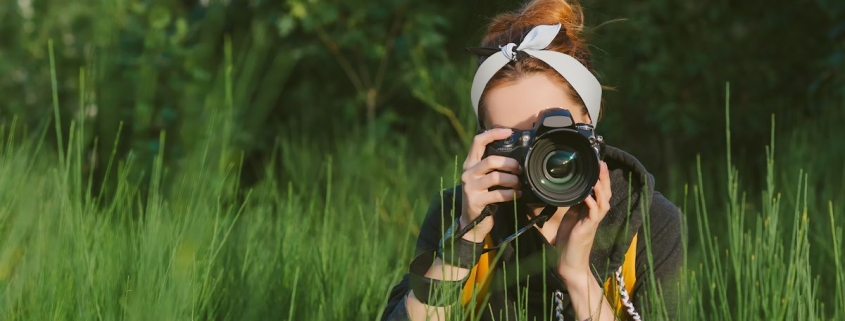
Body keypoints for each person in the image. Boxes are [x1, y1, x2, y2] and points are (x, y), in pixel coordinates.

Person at [382, 0, 684, 320]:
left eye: (551, 132)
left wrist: (580, 277)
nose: (534, 154)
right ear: (484, 141)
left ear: (590, 124)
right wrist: (465, 238)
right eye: (511, 138)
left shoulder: (650, 221)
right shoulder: (458, 213)